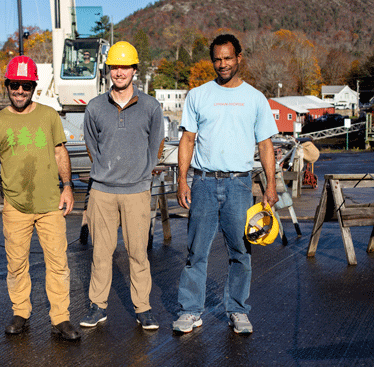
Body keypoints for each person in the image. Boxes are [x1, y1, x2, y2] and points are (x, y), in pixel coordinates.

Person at [172, 34, 279, 335]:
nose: (222, 64)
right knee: (196, 252)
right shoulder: (198, 95)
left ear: (239, 58)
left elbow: (266, 144)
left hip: (239, 185)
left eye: (228, 58)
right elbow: (187, 140)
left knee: (240, 251)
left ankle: (238, 310)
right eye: (217, 59)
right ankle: (190, 311)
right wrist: (182, 180)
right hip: (203, 183)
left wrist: (271, 185)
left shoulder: (255, 98)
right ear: (212, 61)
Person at [0, 55, 80, 341]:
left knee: (58, 263)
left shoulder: (49, 115)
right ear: (7, 85)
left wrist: (68, 186)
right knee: (17, 263)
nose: (20, 91)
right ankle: (21, 312)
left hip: (50, 203)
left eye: (25, 85)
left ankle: (60, 318)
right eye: (15, 85)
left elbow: (61, 152)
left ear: (33, 85)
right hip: (15, 205)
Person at [80, 41, 164, 330]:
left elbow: (157, 143)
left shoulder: (151, 107)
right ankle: (97, 306)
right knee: (101, 253)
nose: (119, 72)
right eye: (115, 66)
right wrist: (105, 170)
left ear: (134, 70)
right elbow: (92, 145)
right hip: (102, 191)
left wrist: (143, 172)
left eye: (125, 66)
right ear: (108, 70)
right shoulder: (94, 107)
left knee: (138, 253)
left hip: (137, 191)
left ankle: (143, 308)